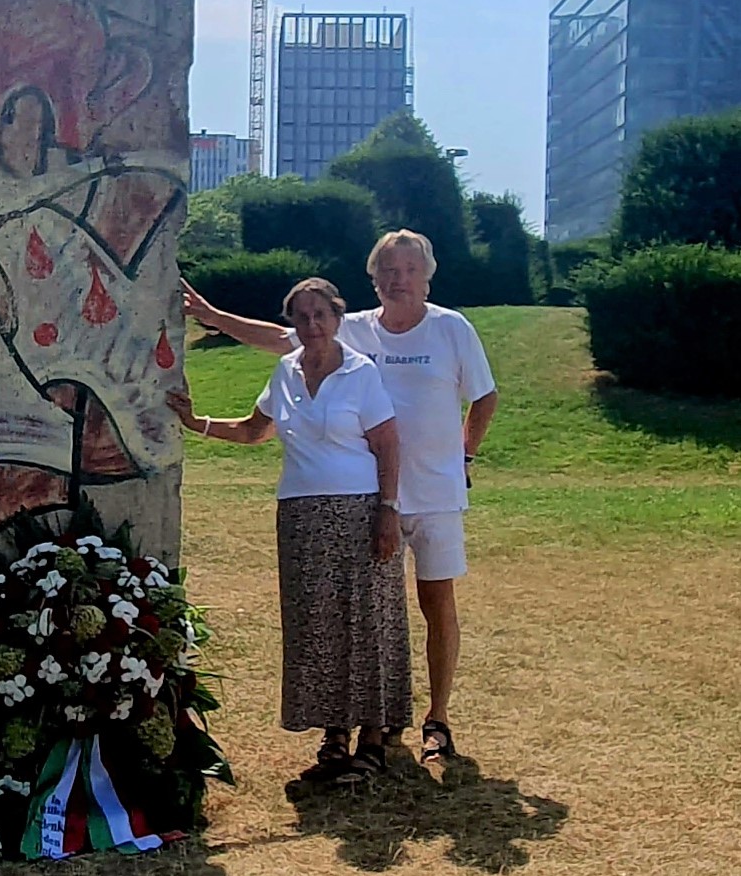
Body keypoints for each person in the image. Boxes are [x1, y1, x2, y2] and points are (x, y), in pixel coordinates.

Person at [182, 228, 498, 760]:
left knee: (436, 604)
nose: (399, 281)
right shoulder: (350, 329)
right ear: (373, 280)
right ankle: (375, 718)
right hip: (369, 499)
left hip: (435, 493)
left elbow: (484, 398)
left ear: (427, 275)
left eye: (409, 271)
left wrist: (464, 456)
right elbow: (281, 338)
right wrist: (214, 317)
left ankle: (436, 719)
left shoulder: (452, 329)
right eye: (388, 273)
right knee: (373, 615)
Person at [168, 277, 408, 782]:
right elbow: (256, 429)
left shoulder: (361, 373)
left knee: (364, 621)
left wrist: (388, 509)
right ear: (293, 324)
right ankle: (333, 735)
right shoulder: (285, 371)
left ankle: (371, 739)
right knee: (316, 625)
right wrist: (198, 423)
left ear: (337, 319)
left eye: (321, 315)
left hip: (360, 510)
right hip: (301, 515)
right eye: (302, 317)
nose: (313, 325)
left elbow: (388, 445)